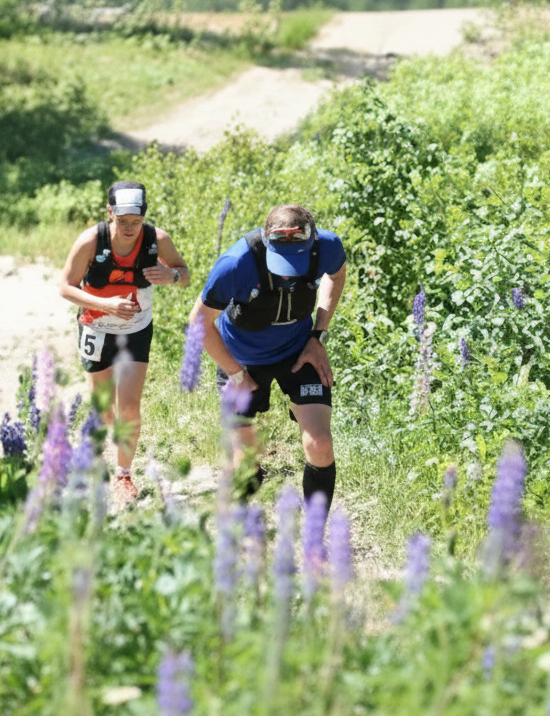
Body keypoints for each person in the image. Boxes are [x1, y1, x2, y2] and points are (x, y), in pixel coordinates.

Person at [189, 204, 347, 504]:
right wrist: (236, 373)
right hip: (240, 359)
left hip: (298, 352)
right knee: (245, 464)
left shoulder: (327, 246)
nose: (288, 274)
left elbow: (336, 276)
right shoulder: (237, 263)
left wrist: (318, 336)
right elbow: (198, 323)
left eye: (295, 262)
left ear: (312, 242)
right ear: (266, 239)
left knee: (321, 444)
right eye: (280, 261)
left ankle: (315, 540)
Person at [59, 181, 190, 502]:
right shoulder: (91, 241)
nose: (130, 228)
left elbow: (184, 273)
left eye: (136, 221)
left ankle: (124, 475)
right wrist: (107, 305)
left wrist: (172, 276)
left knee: (129, 406)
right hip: (96, 327)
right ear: (109, 213)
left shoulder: (157, 239)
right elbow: (65, 287)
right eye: (122, 222)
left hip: (136, 330)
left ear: (144, 216)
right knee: (104, 409)